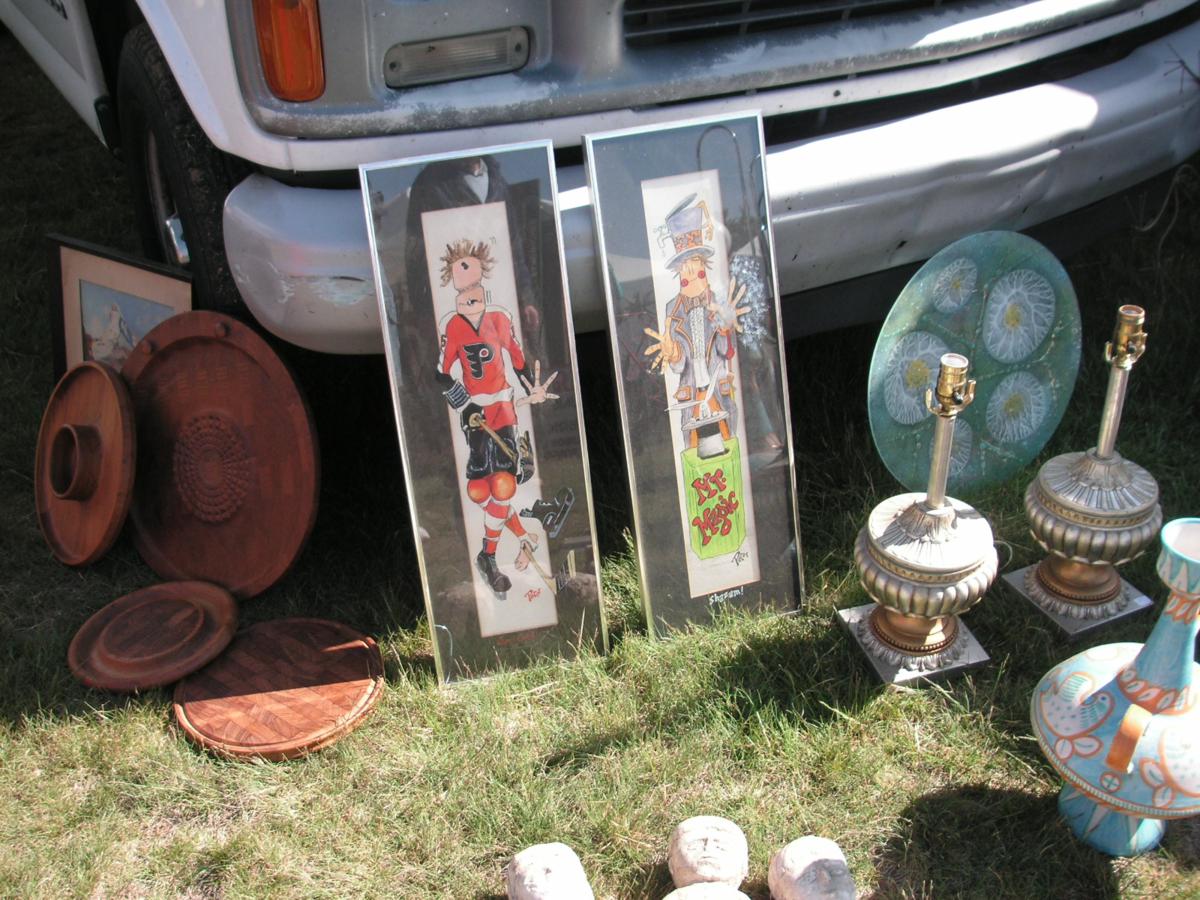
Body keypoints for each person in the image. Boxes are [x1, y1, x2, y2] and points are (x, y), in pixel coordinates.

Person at [434, 239, 557, 595]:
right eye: (460, 273)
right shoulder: (453, 326)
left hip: (502, 411)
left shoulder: (500, 318)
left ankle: (487, 556)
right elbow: (441, 373)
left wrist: (532, 387)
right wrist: (465, 404)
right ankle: (523, 535)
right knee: (477, 490)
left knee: (503, 484)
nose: (467, 280)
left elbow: (518, 359)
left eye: (472, 271)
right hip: (474, 415)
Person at [644, 198, 748, 454]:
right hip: (691, 391)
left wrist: (725, 327)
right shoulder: (672, 310)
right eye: (685, 278)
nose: (693, 283)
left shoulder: (718, 302)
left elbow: (726, 351)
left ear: (706, 271)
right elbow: (678, 366)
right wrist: (673, 353)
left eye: (699, 275)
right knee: (694, 443)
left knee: (727, 435)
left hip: (717, 385)